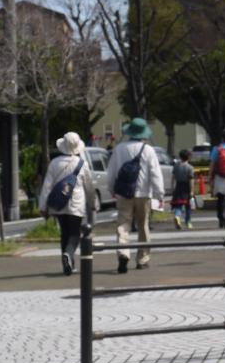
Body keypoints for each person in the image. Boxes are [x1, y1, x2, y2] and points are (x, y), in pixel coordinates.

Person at [107, 117, 164, 273]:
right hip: (143, 193)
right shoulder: (148, 150)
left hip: (124, 193)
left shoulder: (119, 149)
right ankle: (142, 259)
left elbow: (112, 171)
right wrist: (159, 194)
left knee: (123, 224)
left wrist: (112, 189)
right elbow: (155, 173)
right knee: (143, 225)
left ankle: (123, 252)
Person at [37, 131, 97, 277]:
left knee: (64, 233)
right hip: (76, 203)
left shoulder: (54, 163)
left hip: (59, 204)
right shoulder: (82, 164)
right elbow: (89, 187)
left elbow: (47, 186)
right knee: (75, 233)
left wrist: (43, 206)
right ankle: (69, 255)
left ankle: (68, 263)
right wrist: (92, 203)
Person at [170, 148, 195, 230]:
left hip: (178, 186)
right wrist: (192, 191)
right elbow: (191, 180)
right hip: (186, 187)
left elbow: (173, 178)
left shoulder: (176, 166)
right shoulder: (190, 167)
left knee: (178, 205)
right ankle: (188, 222)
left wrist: (172, 187)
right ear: (189, 157)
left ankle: (177, 216)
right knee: (188, 206)